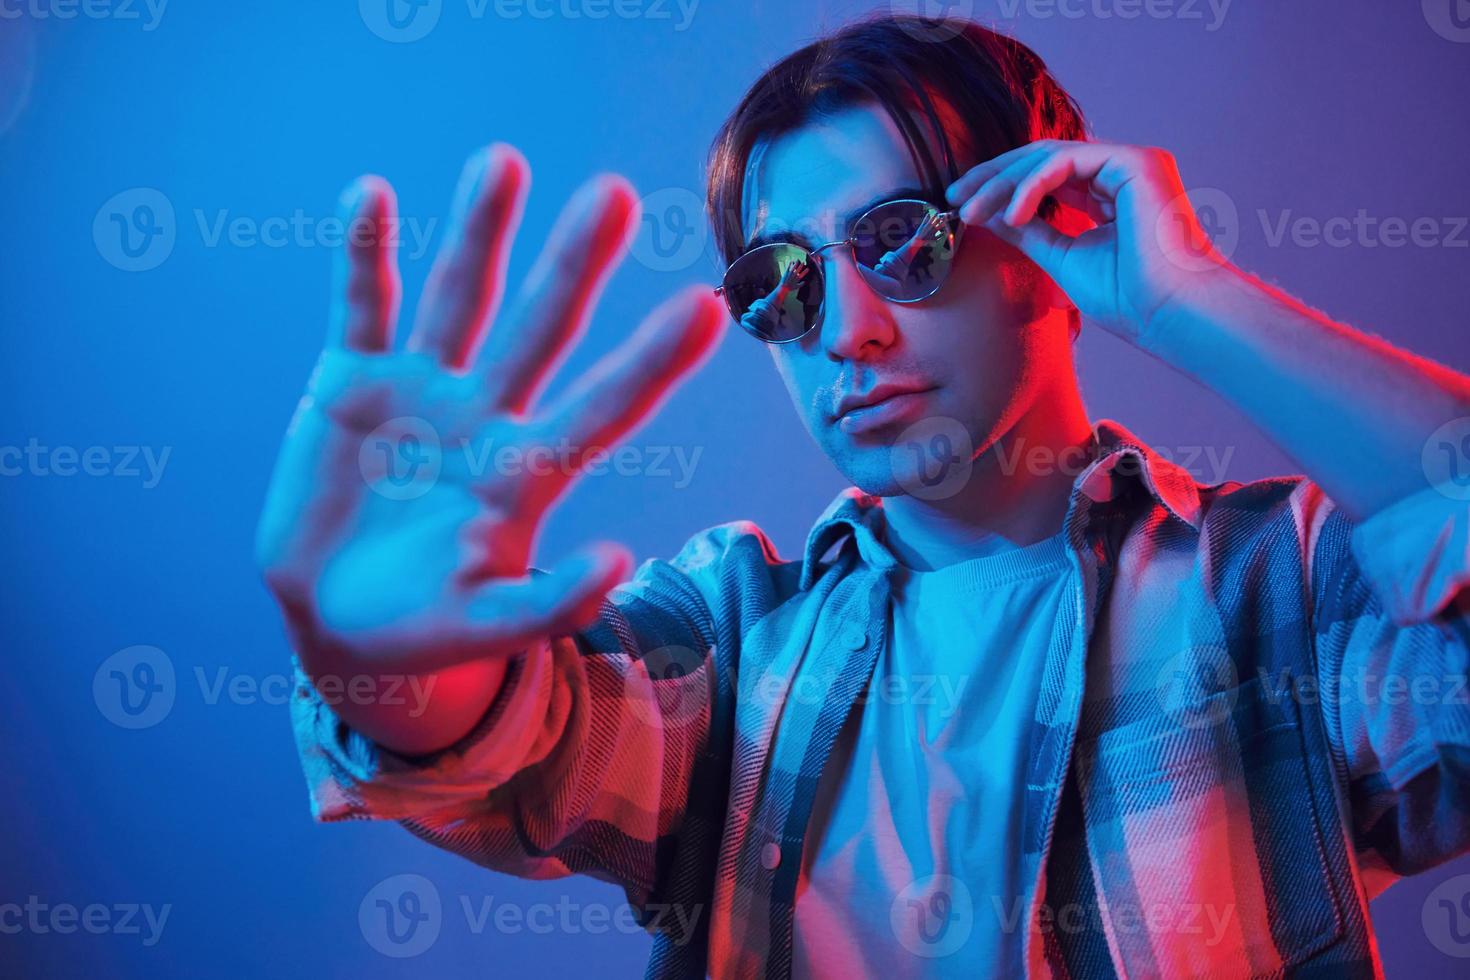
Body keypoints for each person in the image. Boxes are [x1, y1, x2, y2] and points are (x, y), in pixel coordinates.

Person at [255, 13, 1470, 978]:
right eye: (780, 283)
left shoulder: (1272, 595)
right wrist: (391, 662)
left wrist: (1180, 298)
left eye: (901, 239)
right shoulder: (735, 636)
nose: (844, 330)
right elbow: (537, 735)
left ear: (1048, 236)